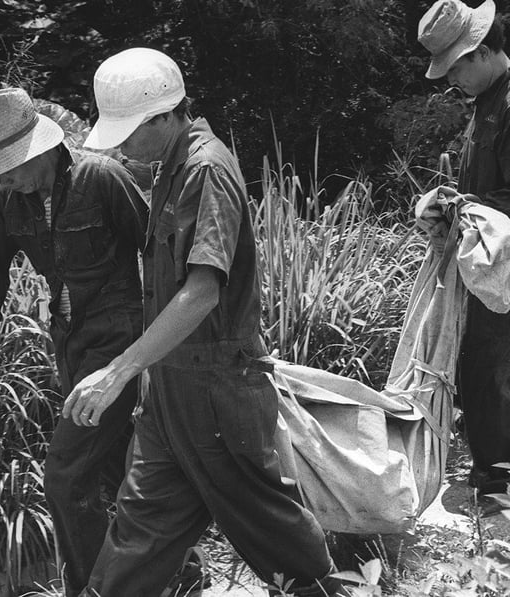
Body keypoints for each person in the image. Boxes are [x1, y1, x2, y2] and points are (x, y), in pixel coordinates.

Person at [61, 48, 344, 597]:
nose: (120, 146)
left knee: (271, 530)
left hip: (218, 390)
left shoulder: (206, 169)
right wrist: (145, 374)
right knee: (139, 530)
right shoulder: (167, 168)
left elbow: (201, 294)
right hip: (170, 390)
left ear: (165, 116)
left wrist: (118, 371)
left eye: (129, 131)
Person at [0, 87, 148, 594]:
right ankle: (178, 572)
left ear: (39, 150)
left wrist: (156, 350)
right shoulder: (6, 200)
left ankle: (91, 589)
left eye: (9, 168)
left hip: (119, 339)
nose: (3, 179)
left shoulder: (102, 177)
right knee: (113, 465)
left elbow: (157, 253)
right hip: (69, 341)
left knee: (66, 475)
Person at [416, 0, 510, 500]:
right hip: (487, 256)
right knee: (474, 362)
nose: (451, 79)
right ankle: (500, 461)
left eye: (454, 68)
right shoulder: (489, 97)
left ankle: (504, 485)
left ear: (480, 51)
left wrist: (459, 206)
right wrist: (451, 204)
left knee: (484, 365)